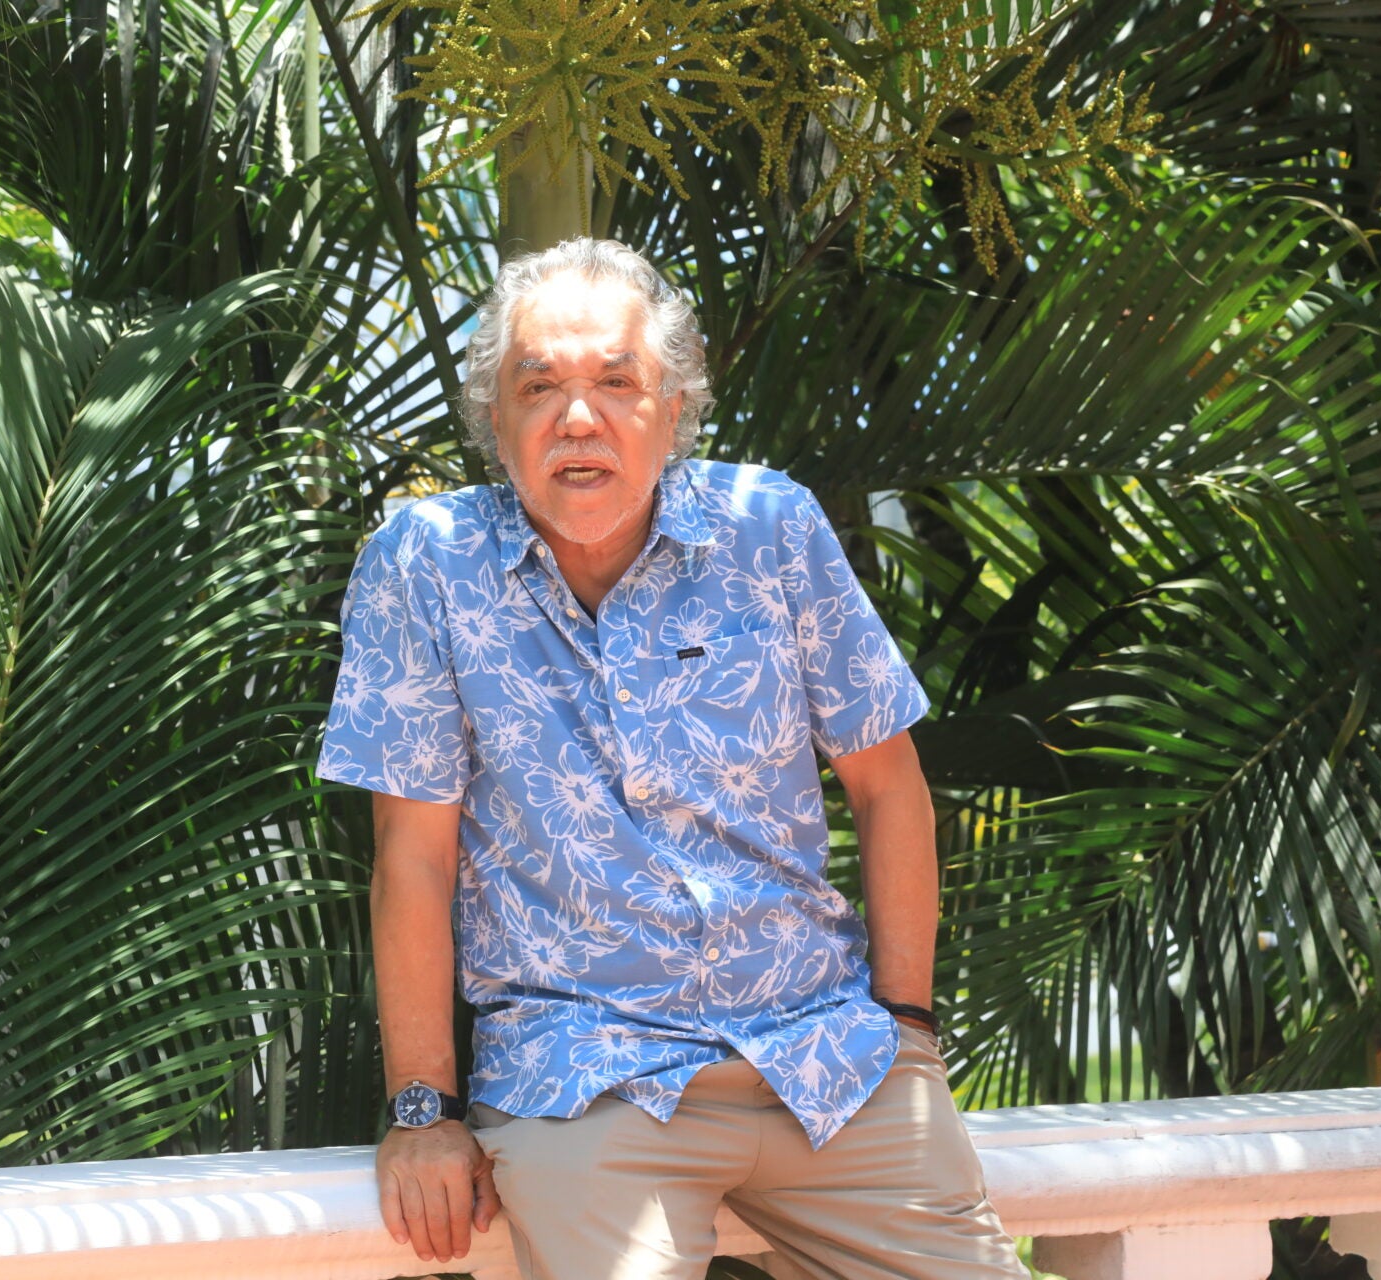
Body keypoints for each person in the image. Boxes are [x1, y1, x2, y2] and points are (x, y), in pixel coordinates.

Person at [317, 237, 1027, 1280]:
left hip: (825, 1056)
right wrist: (424, 1111)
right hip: (585, 1078)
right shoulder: (426, 564)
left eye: (617, 382)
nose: (577, 417)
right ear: (494, 423)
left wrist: (908, 1029)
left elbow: (888, 787)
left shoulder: (770, 527)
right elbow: (412, 858)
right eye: (538, 387)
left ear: (675, 407)